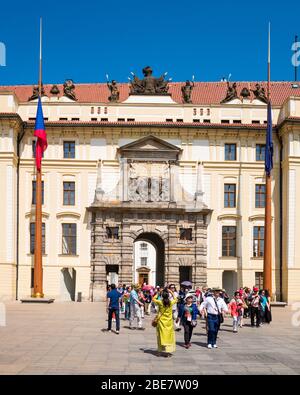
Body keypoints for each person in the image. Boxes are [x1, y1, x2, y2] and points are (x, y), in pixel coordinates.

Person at [152, 288, 177, 357]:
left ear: (162, 296)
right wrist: (171, 292)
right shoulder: (171, 302)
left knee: (160, 336)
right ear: (168, 296)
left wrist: (158, 293)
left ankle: (160, 351)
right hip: (169, 322)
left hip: (161, 321)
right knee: (169, 336)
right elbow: (176, 299)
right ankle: (168, 352)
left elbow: (153, 299)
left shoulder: (160, 302)